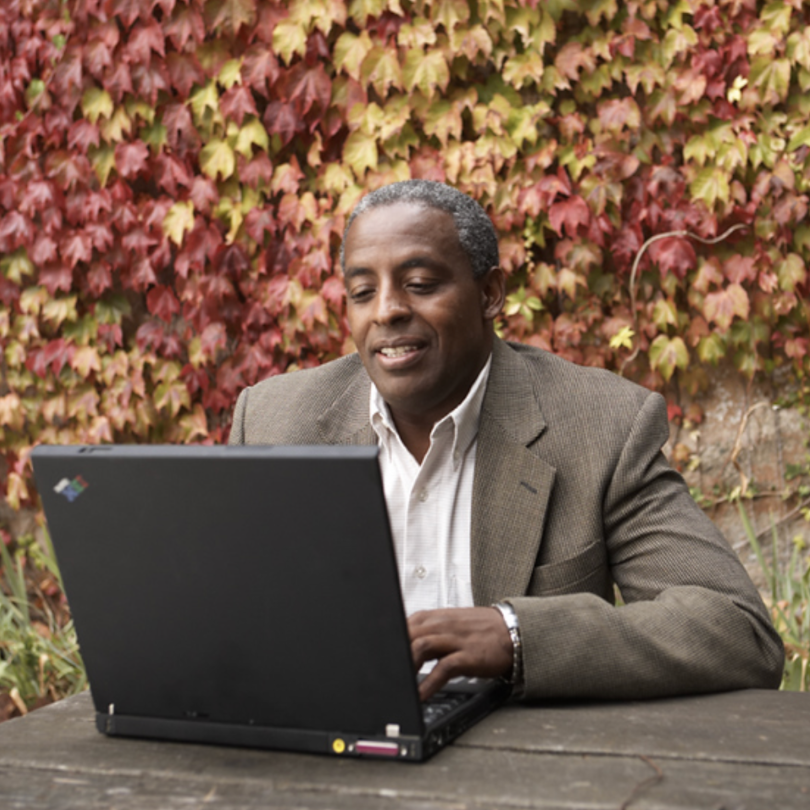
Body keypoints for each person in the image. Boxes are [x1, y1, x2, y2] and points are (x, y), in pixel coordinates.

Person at [229, 180, 784, 701]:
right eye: (362, 291)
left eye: (420, 285)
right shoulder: (274, 420)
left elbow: (736, 629)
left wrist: (517, 637)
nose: (387, 311)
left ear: (491, 293)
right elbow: (221, 613)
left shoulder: (601, 424)